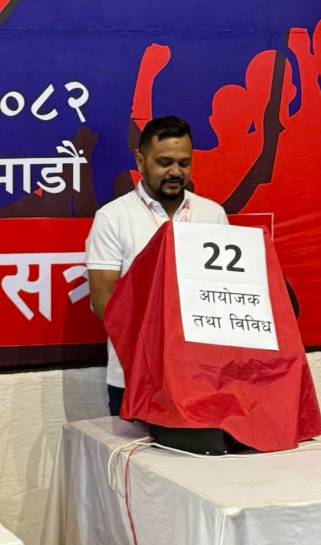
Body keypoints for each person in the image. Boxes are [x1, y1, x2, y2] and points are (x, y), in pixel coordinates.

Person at [85, 116, 229, 416]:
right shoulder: (113, 218)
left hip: (201, 375)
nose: (176, 172)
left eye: (184, 163)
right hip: (135, 377)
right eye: (164, 163)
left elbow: (226, 295)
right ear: (140, 161)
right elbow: (104, 305)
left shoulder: (212, 214)